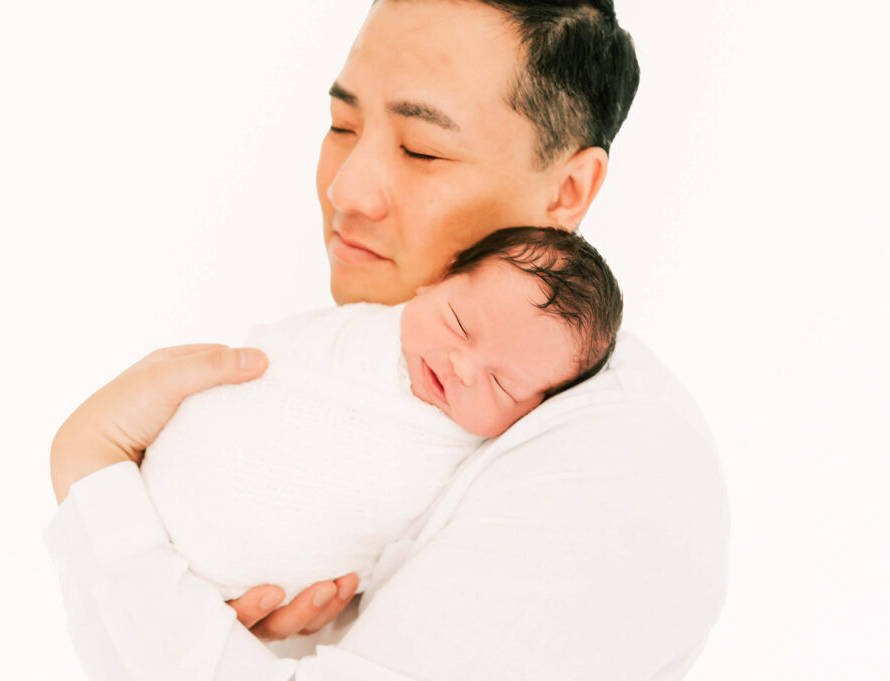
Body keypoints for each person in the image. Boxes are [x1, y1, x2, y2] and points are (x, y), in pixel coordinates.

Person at [45, 1, 729, 679]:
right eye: (342, 124)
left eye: (422, 148)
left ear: (568, 191)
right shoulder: (370, 385)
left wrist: (94, 475)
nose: (346, 189)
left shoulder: (617, 475)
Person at [139, 226, 623, 606]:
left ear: (535, 411)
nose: (463, 368)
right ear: (439, 279)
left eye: (502, 383)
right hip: (156, 491)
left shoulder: (477, 469)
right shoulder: (356, 334)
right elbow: (271, 355)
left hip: (245, 605)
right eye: (457, 324)